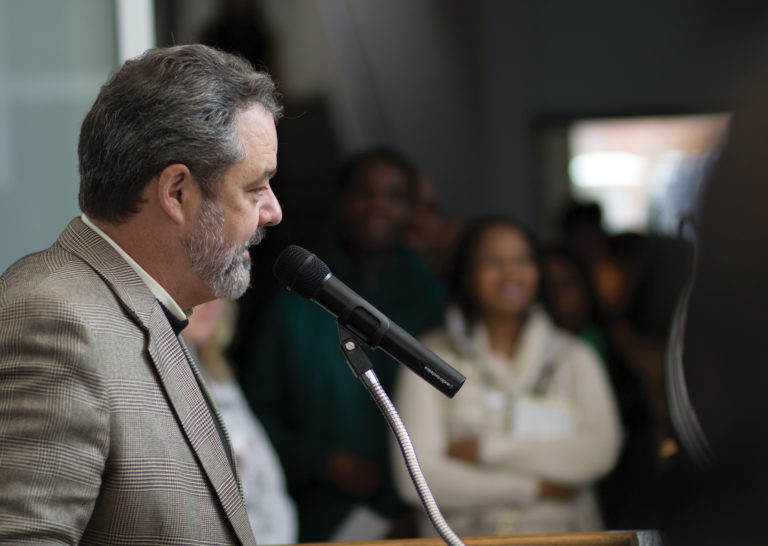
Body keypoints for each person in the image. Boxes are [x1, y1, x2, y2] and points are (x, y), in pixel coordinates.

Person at [0, 44, 282, 544]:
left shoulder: (150, 309)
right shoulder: (53, 320)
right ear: (177, 192)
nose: (273, 211)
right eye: (255, 188)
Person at [239, 147, 445, 542]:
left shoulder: (436, 299)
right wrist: (323, 463)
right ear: (342, 202)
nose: (377, 206)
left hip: (421, 511)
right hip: (318, 513)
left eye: (395, 195)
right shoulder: (296, 298)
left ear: (414, 211)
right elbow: (256, 411)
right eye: (364, 192)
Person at [392, 216, 622, 537]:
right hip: (463, 539)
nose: (510, 273)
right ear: (467, 274)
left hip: (564, 538)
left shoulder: (575, 356)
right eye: (493, 261)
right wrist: (535, 487)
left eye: (522, 260)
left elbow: (599, 452)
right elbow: (416, 479)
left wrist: (485, 450)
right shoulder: (427, 356)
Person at [183, 299, 298, 545]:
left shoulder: (219, 375)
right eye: (199, 292)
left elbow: (272, 486)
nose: (210, 303)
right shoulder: (163, 377)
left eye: (218, 293)